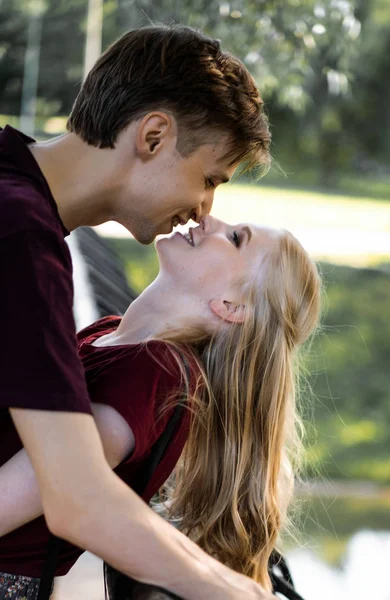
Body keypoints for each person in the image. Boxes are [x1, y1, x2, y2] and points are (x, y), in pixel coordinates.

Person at [0, 24, 273, 599]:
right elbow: (78, 498)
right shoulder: (22, 236)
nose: (203, 209)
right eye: (208, 179)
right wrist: (240, 594)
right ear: (152, 135)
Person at [0, 216, 321, 599]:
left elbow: (36, 491)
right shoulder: (107, 334)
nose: (209, 219)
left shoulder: (154, 371)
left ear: (232, 306)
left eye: (235, 238)